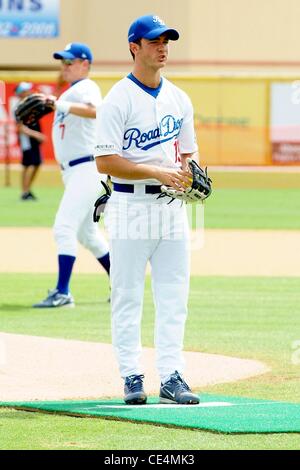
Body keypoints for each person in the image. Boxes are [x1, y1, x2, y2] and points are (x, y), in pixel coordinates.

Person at [94, 15, 200, 405]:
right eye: (154, 41)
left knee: (174, 294)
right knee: (127, 294)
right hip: (130, 203)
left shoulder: (179, 98)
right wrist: (157, 171)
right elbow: (105, 161)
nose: (163, 47)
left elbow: (187, 153)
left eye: (167, 40)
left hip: (172, 208)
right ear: (134, 47)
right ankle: (132, 375)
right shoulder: (117, 99)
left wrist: (191, 175)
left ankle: (172, 376)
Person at [33, 43, 110, 308]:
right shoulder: (70, 93)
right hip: (76, 171)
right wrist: (59, 103)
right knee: (87, 234)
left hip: (86, 168)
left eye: (70, 62)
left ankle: (63, 292)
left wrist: (58, 103)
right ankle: (122, 284)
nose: (65, 67)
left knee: (63, 227)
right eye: (63, 63)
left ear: (85, 64)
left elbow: (96, 110)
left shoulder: (85, 87)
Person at [14, 82, 45, 201]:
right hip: (27, 140)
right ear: (20, 93)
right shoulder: (19, 107)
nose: (29, 92)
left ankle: (27, 190)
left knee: (36, 164)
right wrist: (36, 135)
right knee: (29, 165)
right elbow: (20, 128)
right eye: (26, 90)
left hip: (33, 140)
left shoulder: (30, 105)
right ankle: (24, 192)